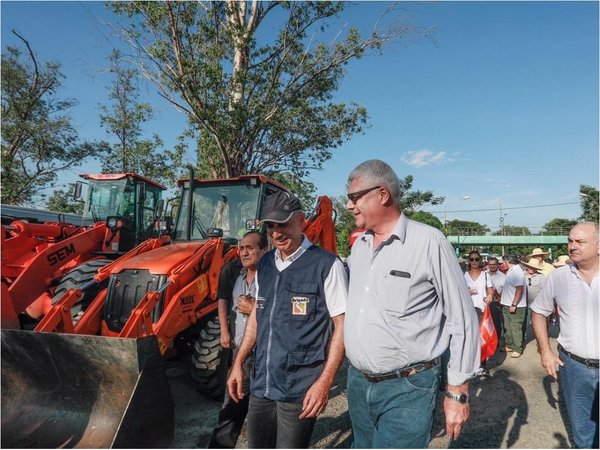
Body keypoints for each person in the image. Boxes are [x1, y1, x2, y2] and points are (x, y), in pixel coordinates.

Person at [343, 160, 480, 448]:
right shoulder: (359, 247)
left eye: (354, 197)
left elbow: (462, 318)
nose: (348, 205)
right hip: (358, 383)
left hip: (408, 387)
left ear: (382, 194)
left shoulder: (429, 242)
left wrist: (457, 392)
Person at [226, 191, 348, 448]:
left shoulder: (326, 265)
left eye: (284, 224)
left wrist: (324, 383)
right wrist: (238, 362)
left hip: (299, 388)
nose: (277, 233)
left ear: (301, 220)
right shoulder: (267, 263)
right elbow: (257, 317)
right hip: (262, 385)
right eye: (271, 226)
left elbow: (342, 326)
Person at [531, 222, 599, 448]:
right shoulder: (558, 278)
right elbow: (539, 311)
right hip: (574, 368)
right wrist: (545, 351)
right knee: (583, 436)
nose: (572, 246)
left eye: (580, 241)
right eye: (570, 241)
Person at [208, 231, 268, 448]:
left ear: (264, 250)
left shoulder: (274, 274)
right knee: (232, 403)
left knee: (261, 409)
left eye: (250, 248)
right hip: (240, 351)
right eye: (241, 248)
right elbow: (222, 299)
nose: (244, 252)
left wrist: (255, 309)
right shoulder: (232, 271)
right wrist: (224, 330)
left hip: (264, 352)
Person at [464, 250, 494, 375]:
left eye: (477, 259)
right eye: (472, 259)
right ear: (469, 261)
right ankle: (470, 364)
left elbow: (491, 291)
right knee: (469, 338)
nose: (474, 262)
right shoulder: (463, 275)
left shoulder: (486, 275)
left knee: (482, 337)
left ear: (480, 260)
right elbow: (458, 291)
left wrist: (489, 297)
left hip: (482, 310)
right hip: (467, 310)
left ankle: (482, 365)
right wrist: (467, 292)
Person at [499, 255, 527, 358]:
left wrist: (514, 304)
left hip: (516, 306)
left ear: (507, 261)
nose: (503, 263)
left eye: (504, 261)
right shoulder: (512, 270)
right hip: (507, 304)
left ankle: (517, 348)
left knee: (515, 327)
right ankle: (510, 345)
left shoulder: (517, 272)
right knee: (508, 326)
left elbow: (519, 289)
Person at [521, 258, 546, 343]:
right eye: (530, 267)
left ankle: (540, 339)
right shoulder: (521, 275)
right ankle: (522, 338)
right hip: (524, 304)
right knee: (524, 322)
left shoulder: (541, 277)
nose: (532, 269)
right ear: (527, 267)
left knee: (538, 323)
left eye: (534, 267)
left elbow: (545, 290)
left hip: (537, 305)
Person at [487, 256, 506, 341]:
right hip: (485, 303)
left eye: (494, 264)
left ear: (498, 265)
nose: (492, 266)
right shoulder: (484, 274)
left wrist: (500, 298)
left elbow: (506, 290)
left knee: (496, 323)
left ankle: (496, 341)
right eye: (490, 264)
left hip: (497, 303)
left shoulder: (503, 276)